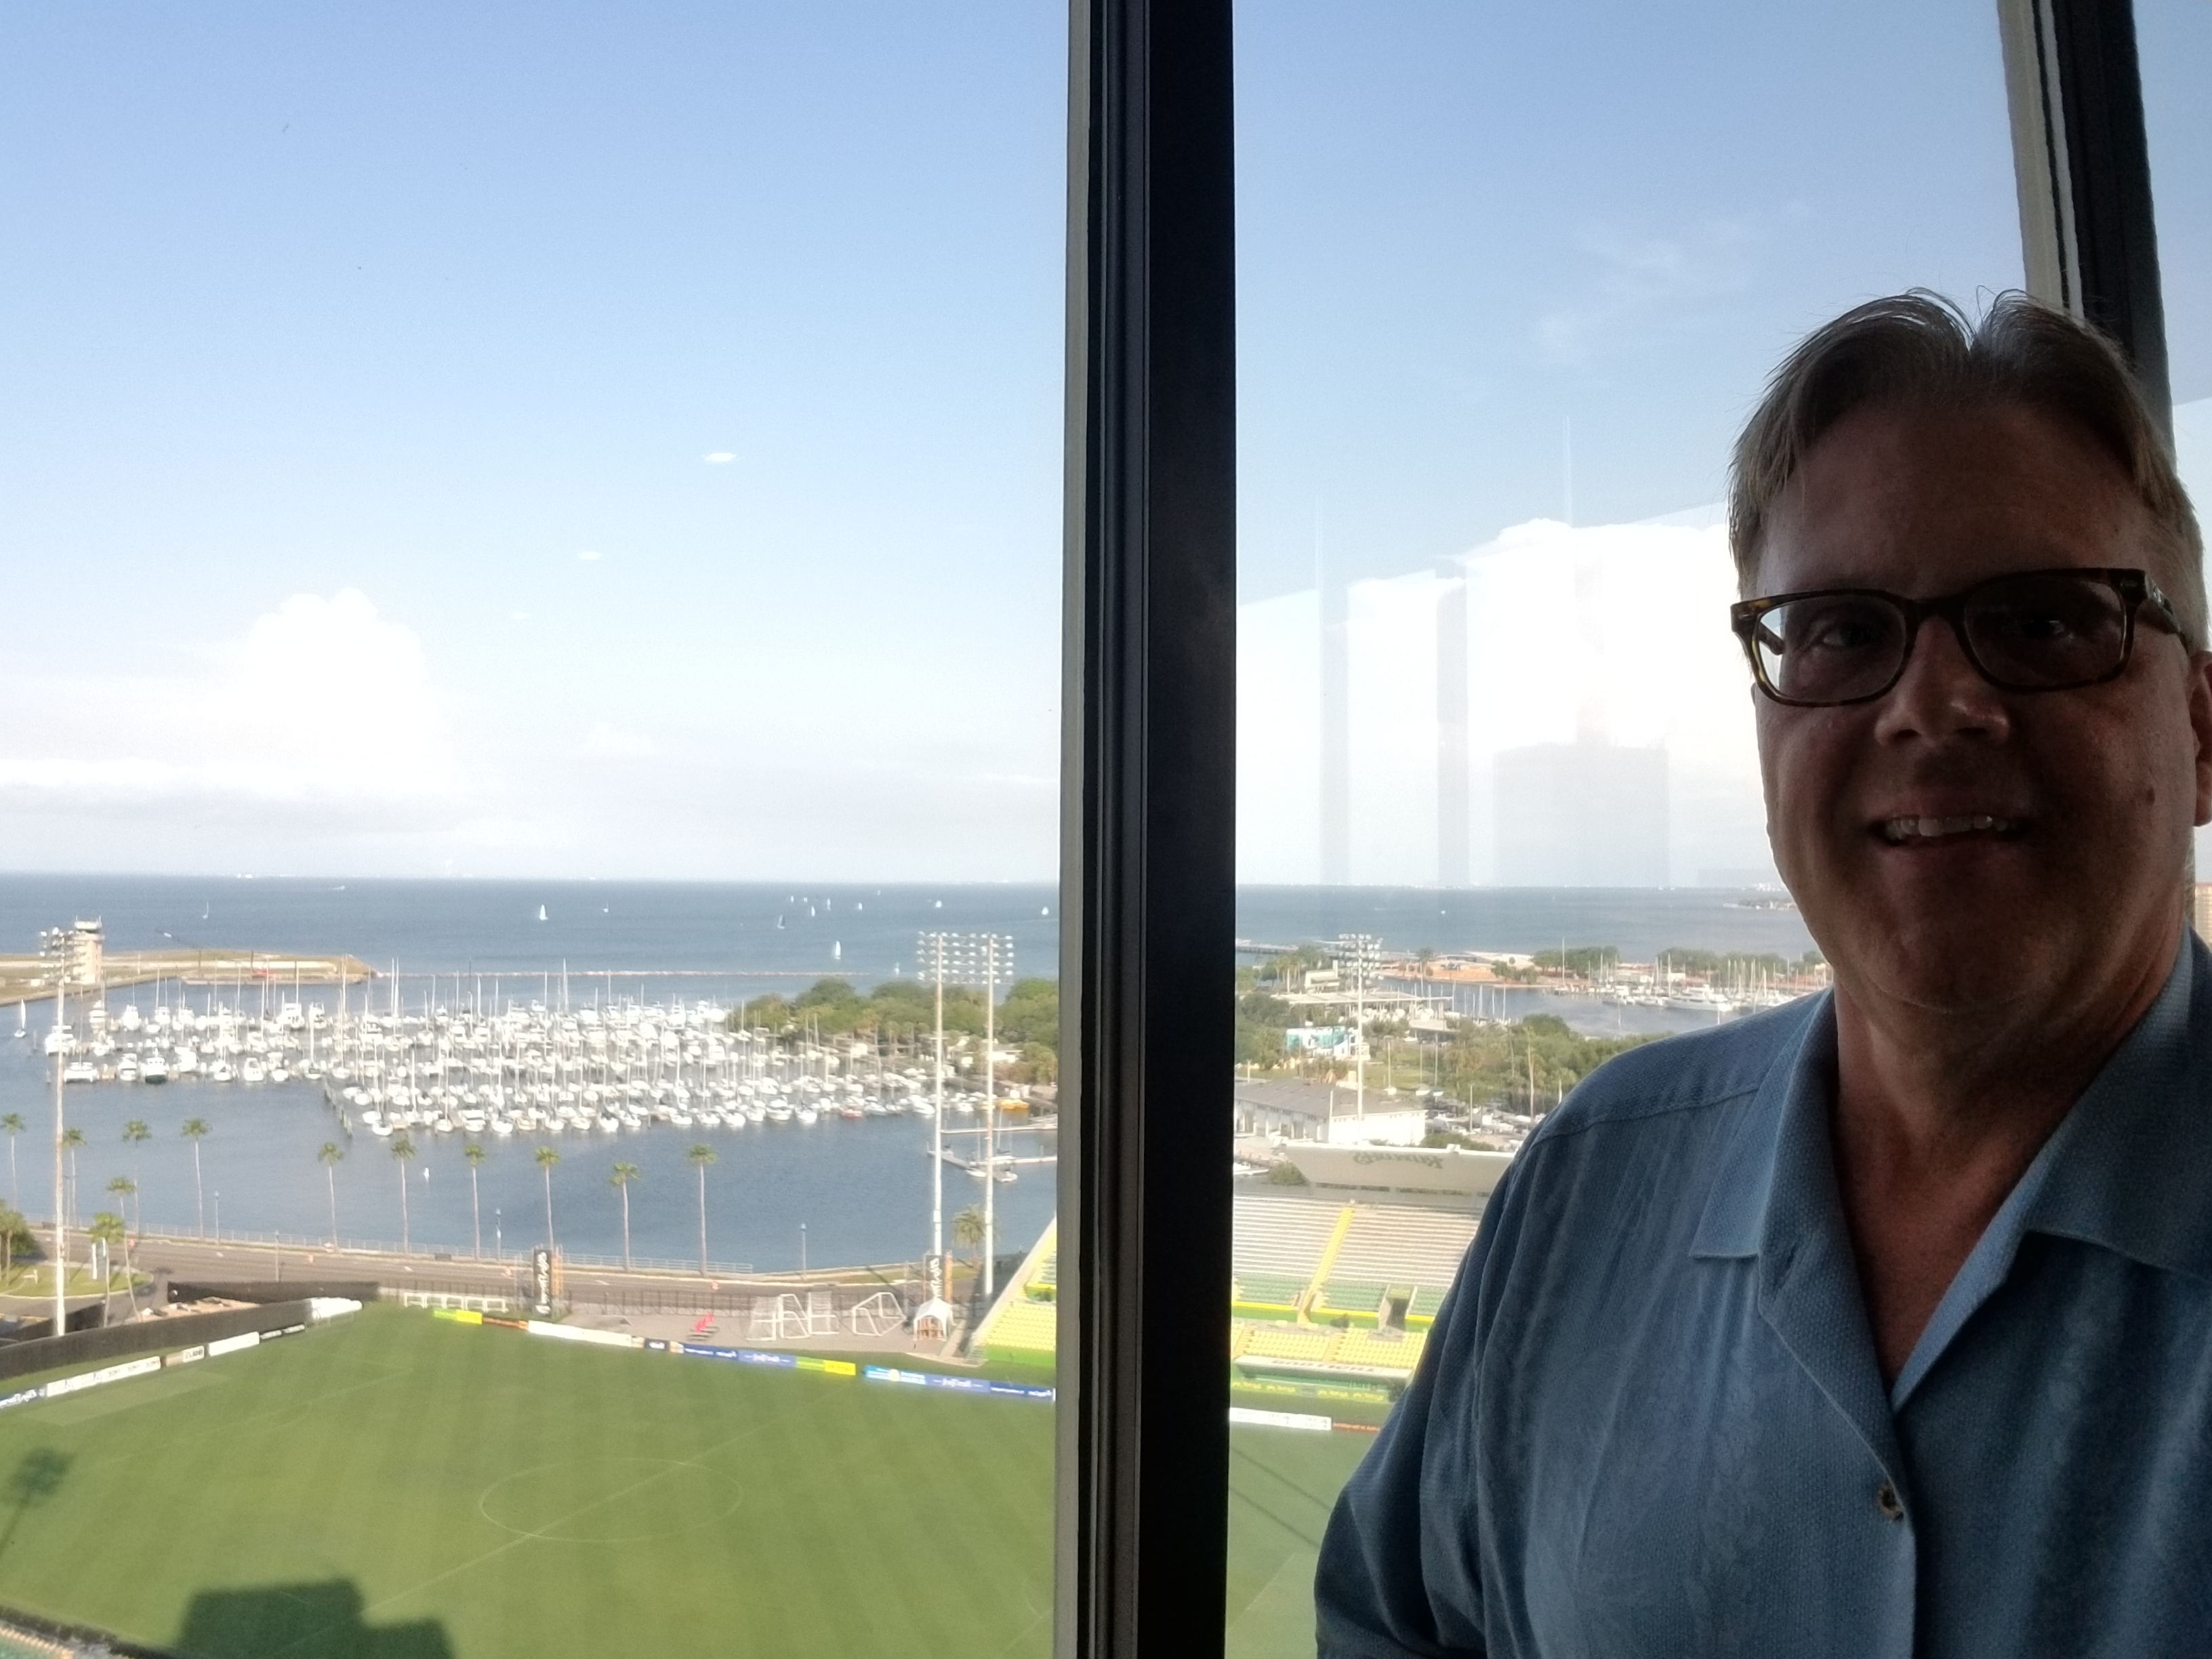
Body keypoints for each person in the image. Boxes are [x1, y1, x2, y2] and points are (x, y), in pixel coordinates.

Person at [1315, 291, 2212, 1657]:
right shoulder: (1589, 1182)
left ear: (2200, 733)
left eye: (2040, 622)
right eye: (1842, 630)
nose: (1932, 706)